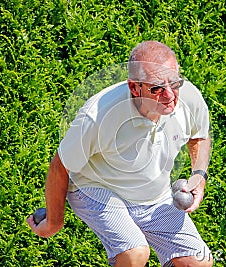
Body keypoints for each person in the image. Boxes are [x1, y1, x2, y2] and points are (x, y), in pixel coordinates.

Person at [27, 41, 213, 267]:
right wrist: (54, 222)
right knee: (134, 254)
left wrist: (199, 177)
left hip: (152, 193)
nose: (169, 95)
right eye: (156, 88)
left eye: (174, 83)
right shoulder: (98, 116)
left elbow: (200, 136)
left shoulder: (188, 98)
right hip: (97, 188)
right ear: (135, 88)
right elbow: (60, 166)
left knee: (197, 261)